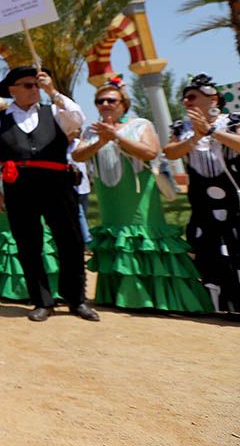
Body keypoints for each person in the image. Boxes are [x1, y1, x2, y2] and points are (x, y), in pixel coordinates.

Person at [71, 77, 210, 313]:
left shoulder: (141, 124)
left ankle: (158, 298)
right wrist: (100, 141)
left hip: (138, 197)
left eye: (110, 100)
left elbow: (150, 152)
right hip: (110, 198)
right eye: (100, 101)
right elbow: (78, 155)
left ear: (123, 103)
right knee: (117, 240)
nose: (105, 104)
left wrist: (116, 137)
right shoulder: (92, 130)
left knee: (143, 239)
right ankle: (120, 295)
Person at [0, 66, 98, 322]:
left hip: (57, 184)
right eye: (28, 85)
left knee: (70, 240)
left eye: (36, 85)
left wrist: (53, 91)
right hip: (19, 188)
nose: (34, 89)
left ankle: (76, 299)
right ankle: (41, 300)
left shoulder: (55, 112)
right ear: (12, 90)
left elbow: (78, 118)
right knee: (28, 244)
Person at [164, 73, 240, 314]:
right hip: (202, 199)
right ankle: (216, 304)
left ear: (213, 99)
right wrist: (194, 138)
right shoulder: (181, 127)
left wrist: (211, 132)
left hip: (234, 198)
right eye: (184, 98)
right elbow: (170, 152)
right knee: (207, 249)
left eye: (192, 97)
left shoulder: (232, 121)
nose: (187, 102)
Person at [0, 96, 60, 300]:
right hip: (1, 185)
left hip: (31, 185)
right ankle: (13, 287)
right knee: (10, 232)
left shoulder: (30, 127)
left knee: (34, 233)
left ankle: (46, 288)